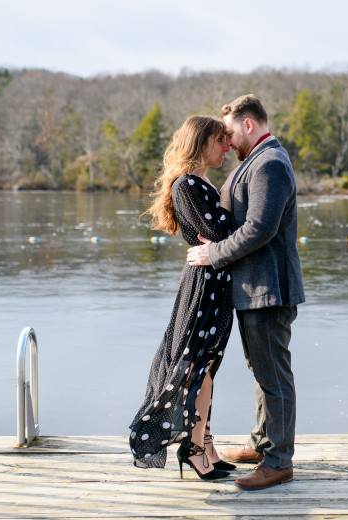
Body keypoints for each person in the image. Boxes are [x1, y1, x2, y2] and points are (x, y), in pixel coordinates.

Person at [186, 94, 305, 490]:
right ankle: (262, 444)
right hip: (256, 288)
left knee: (274, 377)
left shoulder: (269, 163)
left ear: (248, 125)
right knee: (262, 372)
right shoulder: (256, 162)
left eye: (231, 133)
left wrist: (212, 254)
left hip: (269, 289)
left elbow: (259, 229)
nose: (228, 141)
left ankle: (279, 462)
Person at [129, 115, 236, 481]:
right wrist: (231, 208)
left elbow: (221, 237)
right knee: (197, 367)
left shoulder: (202, 181)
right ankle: (192, 450)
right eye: (220, 140)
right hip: (203, 284)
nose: (226, 147)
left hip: (216, 280)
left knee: (208, 367)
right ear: (201, 142)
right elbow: (217, 230)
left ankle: (204, 443)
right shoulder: (186, 185)